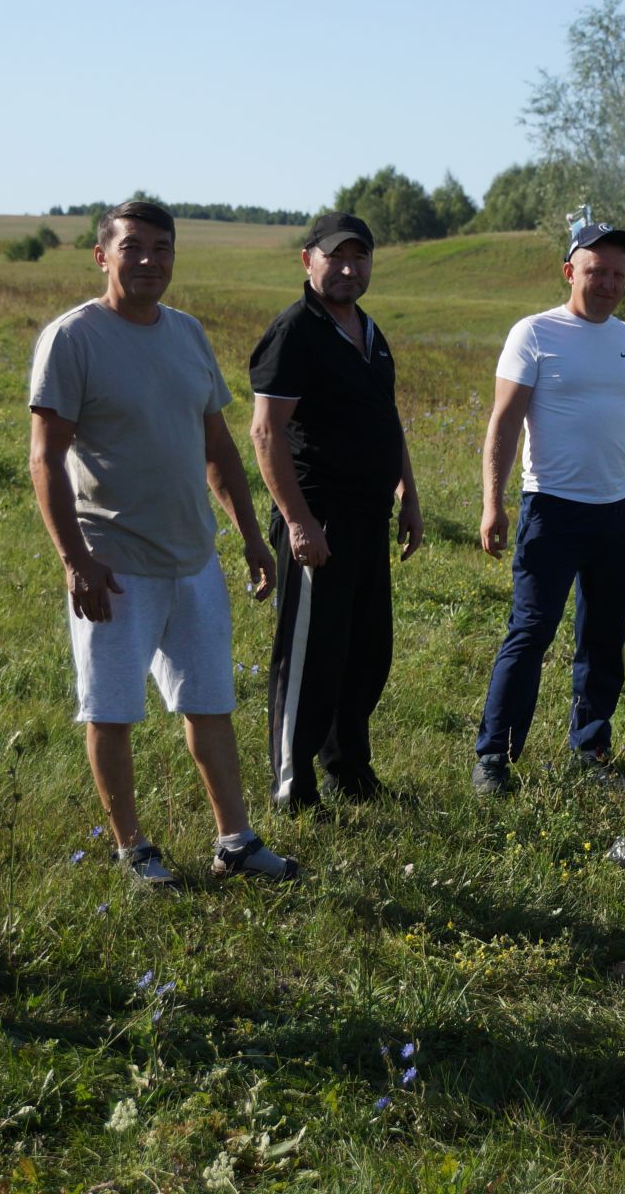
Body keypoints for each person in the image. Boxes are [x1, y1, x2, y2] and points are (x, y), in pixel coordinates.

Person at [28, 199, 295, 888]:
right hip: (113, 563)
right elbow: (43, 459)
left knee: (210, 702)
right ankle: (131, 847)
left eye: (162, 248)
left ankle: (235, 839)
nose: (150, 260)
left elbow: (217, 447)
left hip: (193, 559)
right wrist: (74, 560)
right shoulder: (73, 338)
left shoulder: (187, 334)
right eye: (134, 247)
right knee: (112, 710)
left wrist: (247, 537)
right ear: (103, 256)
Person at [472, 217, 625, 794]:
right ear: (571, 272)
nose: (609, 283)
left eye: (618, 274)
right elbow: (503, 424)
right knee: (531, 631)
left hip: (618, 516)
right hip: (552, 510)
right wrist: (493, 503)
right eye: (597, 272)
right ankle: (495, 755)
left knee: (603, 638)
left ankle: (590, 749)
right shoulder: (534, 334)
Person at [248, 213, 422, 812]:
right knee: (311, 659)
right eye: (336, 257)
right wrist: (298, 522)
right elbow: (265, 433)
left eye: (360, 257)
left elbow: (386, 418)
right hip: (318, 517)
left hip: (369, 518)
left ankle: (349, 769)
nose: (349, 268)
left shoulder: (369, 332)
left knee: (365, 653)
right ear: (308, 260)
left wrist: (409, 495)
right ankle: (293, 788)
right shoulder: (295, 333)